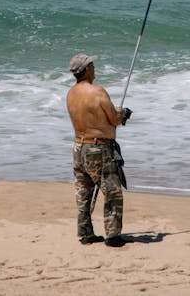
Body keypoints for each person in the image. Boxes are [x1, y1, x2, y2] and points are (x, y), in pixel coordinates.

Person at [66, 53, 131, 247]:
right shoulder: (98, 92)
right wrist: (123, 113)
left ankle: (85, 233)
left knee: (83, 192)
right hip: (99, 149)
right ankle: (113, 236)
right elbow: (113, 119)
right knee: (112, 193)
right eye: (92, 65)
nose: (94, 68)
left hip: (79, 147)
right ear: (86, 70)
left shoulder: (71, 94)